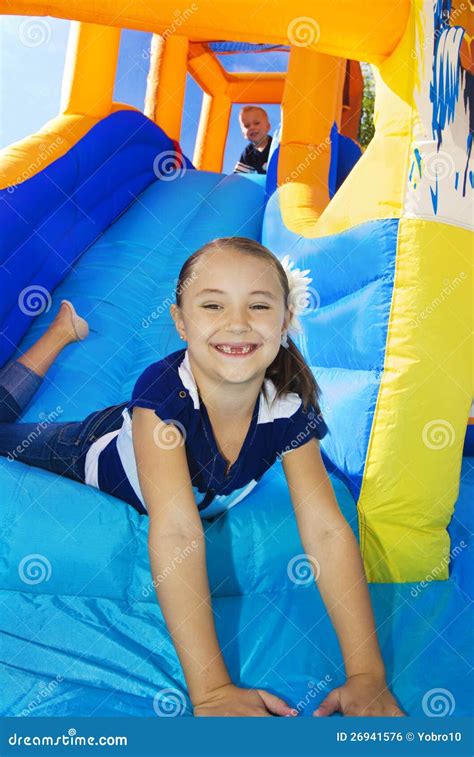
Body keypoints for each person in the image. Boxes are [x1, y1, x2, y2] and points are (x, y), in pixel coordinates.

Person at [0, 237, 404, 718]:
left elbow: (326, 529)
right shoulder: (164, 393)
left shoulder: (288, 405)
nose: (237, 323)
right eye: (213, 305)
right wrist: (211, 691)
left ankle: (65, 333)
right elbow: (175, 530)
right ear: (180, 322)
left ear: (284, 321)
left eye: (258, 305)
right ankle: (60, 333)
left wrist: (367, 676)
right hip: (91, 447)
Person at [234, 106, 272, 174]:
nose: (252, 127)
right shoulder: (248, 152)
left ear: (267, 127)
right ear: (243, 134)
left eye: (256, 123)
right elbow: (239, 176)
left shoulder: (275, 145)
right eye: (247, 126)